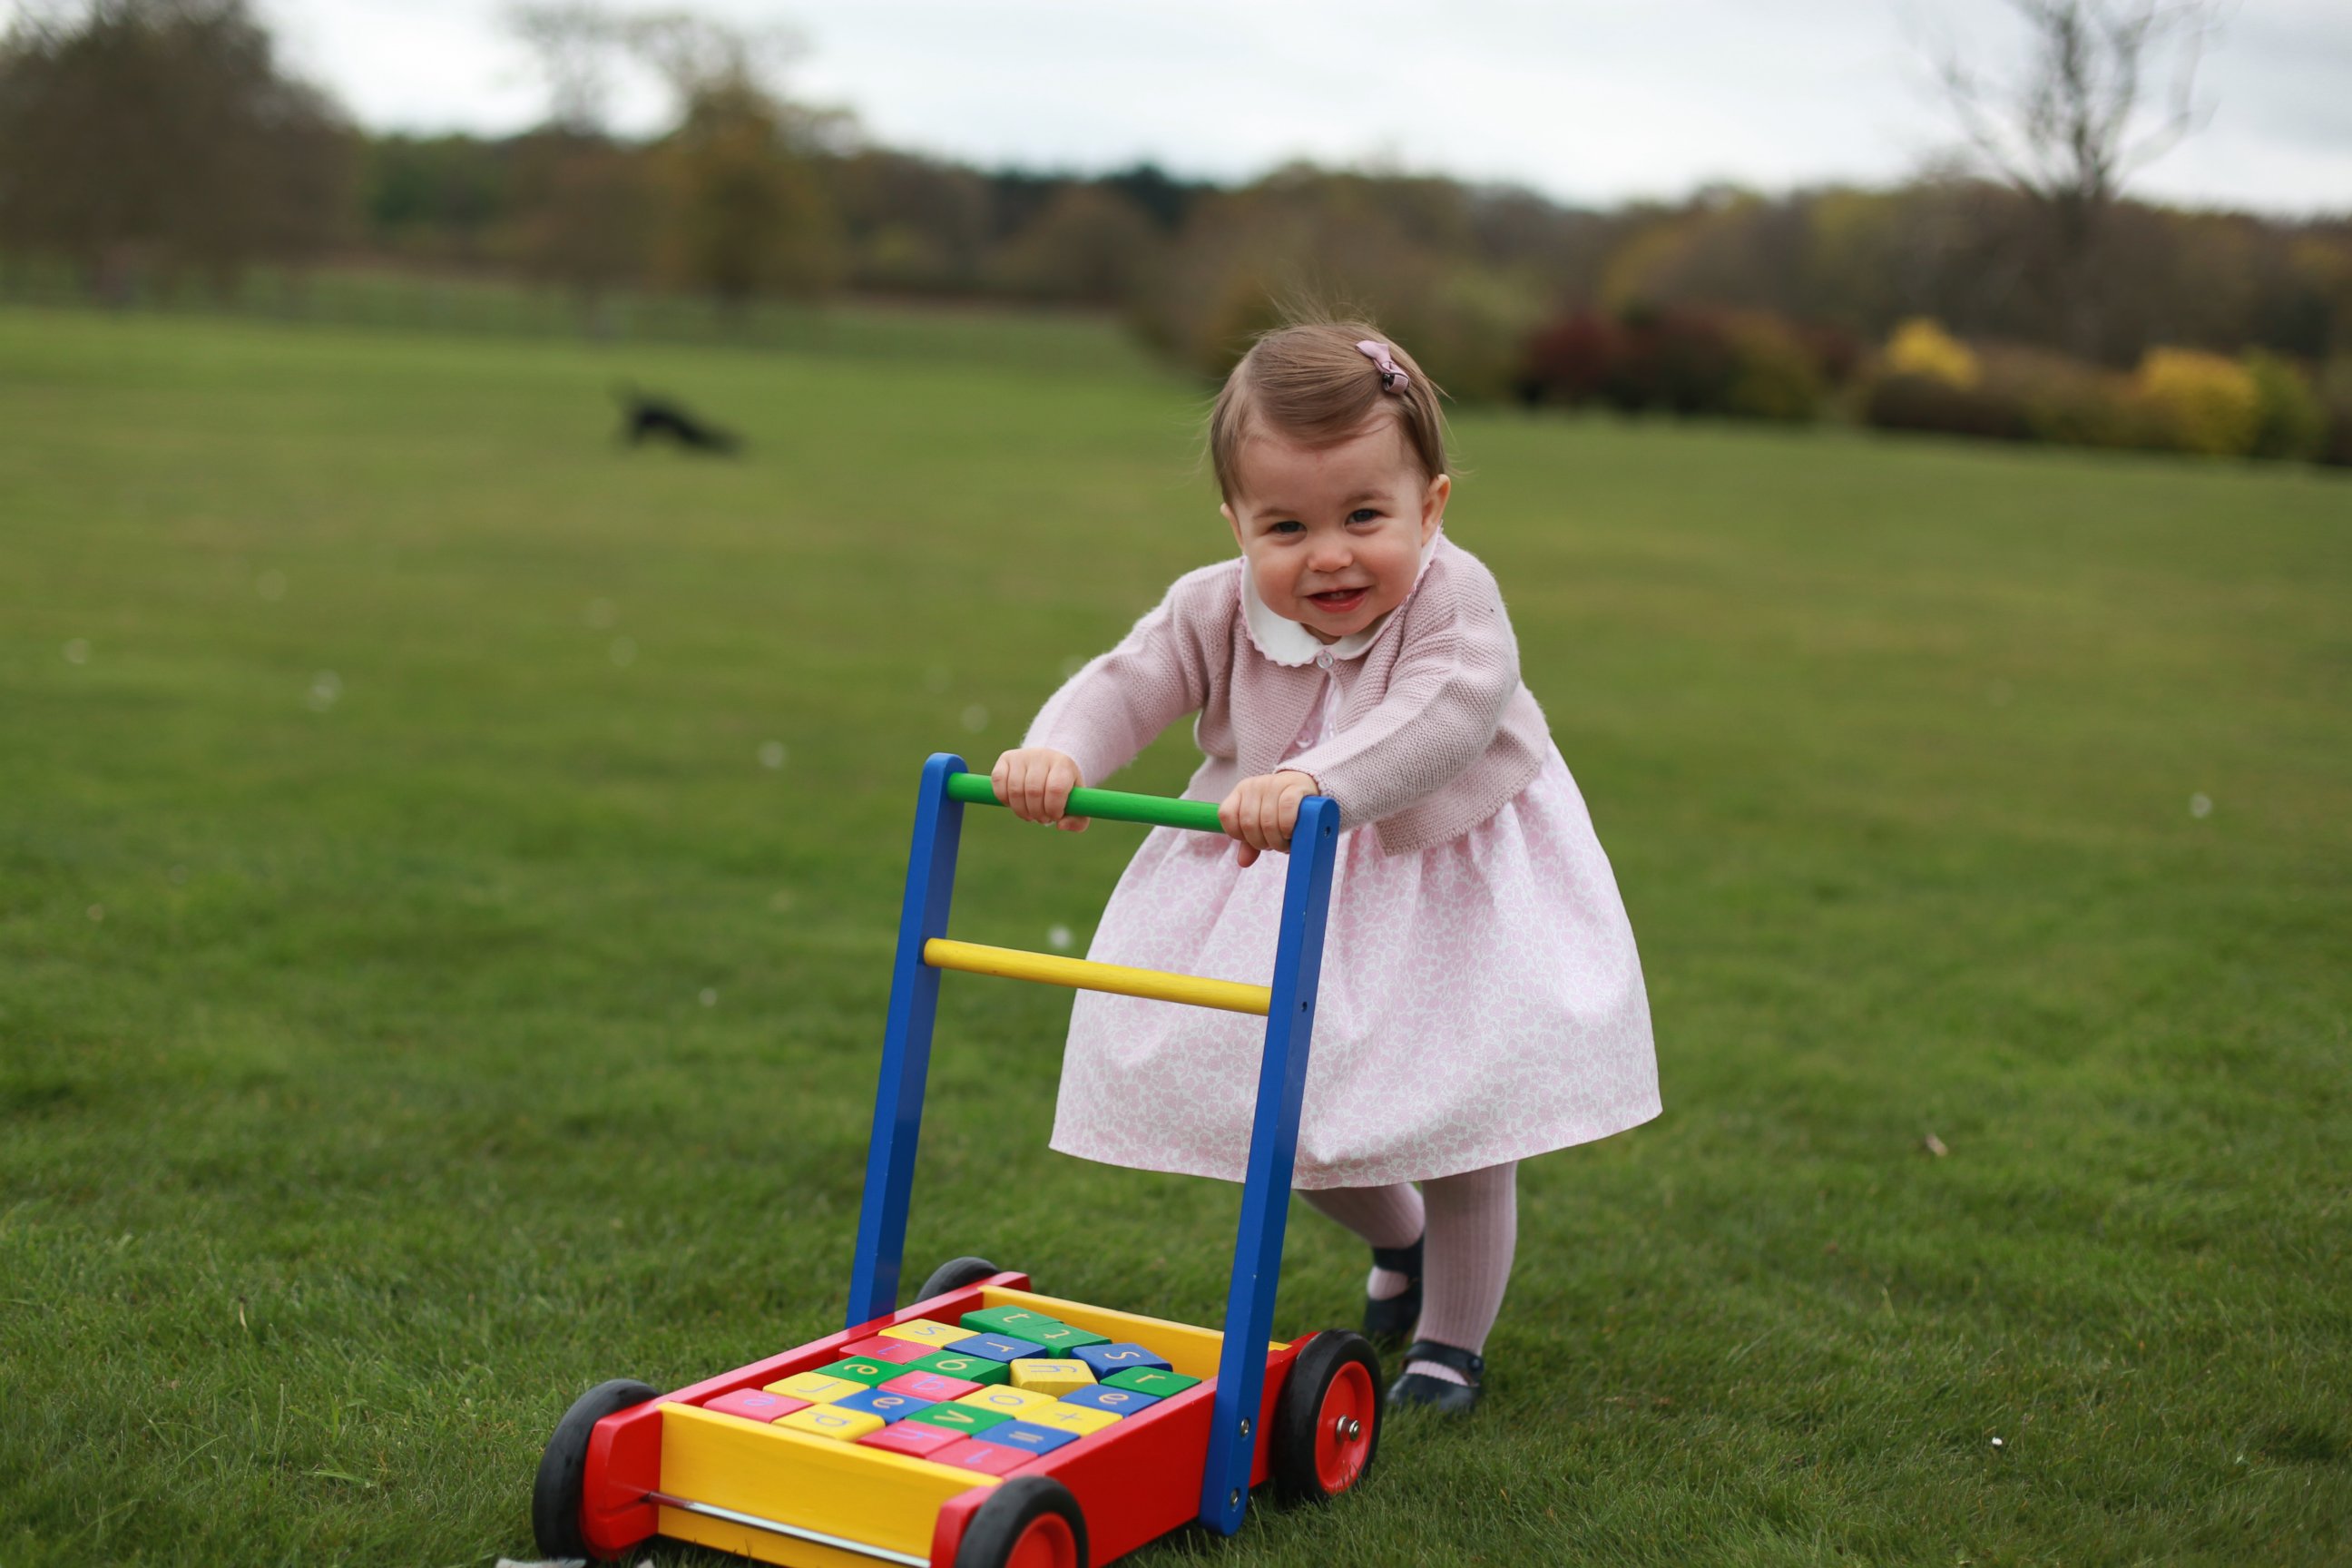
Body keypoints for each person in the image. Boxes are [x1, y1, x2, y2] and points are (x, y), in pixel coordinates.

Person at [992, 318, 1660, 1414]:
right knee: (1279, 1110)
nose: (1330, 554)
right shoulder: (1216, 604)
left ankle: (1451, 1344)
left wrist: (1316, 781)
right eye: (1287, 526)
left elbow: (1443, 713)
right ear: (1237, 523)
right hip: (1285, 876)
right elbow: (1130, 676)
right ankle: (1400, 1240)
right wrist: (1061, 749)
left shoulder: (1454, 599)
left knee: (1459, 1115)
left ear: (1430, 505)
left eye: (1364, 516)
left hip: (1446, 876)